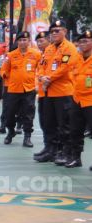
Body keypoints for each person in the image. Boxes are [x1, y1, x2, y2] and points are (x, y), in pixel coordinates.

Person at [36, 20, 78, 164]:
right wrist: (42, 77)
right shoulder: (49, 49)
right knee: (49, 124)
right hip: (48, 93)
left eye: (57, 31)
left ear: (65, 31)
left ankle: (65, 152)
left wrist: (49, 78)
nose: (54, 33)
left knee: (64, 125)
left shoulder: (69, 48)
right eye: (52, 31)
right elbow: (41, 65)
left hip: (63, 93)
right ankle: (51, 150)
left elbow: (65, 68)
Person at [0, 31, 41, 147]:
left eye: (25, 40)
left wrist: (37, 82)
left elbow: (41, 69)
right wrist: (6, 76)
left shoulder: (36, 54)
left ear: (29, 41)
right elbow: (3, 70)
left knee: (28, 114)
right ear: (17, 42)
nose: (22, 42)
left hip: (29, 89)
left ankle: (27, 137)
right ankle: (11, 132)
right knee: (9, 113)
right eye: (20, 40)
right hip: (13, 90)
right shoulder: (11, 55)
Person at [68, 30, 92, 168]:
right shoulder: (76, 58)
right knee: (75, 130)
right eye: (81, 41)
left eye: (86, 41)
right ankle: (76, 158)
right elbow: (71, 72)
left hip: (90, 100)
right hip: (77, 99)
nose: (82, 44)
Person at [33, 31, 52, 161]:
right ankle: (48, 148)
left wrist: (45, 78)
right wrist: (41, 77)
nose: (40, 44)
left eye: (42, 41)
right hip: (42, 93)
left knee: (52, 123)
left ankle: (54, 150)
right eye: (38, 42)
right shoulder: (43, 55)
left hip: (52, 92)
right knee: (44, 122)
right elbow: (40, 71)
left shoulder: (52, 53)